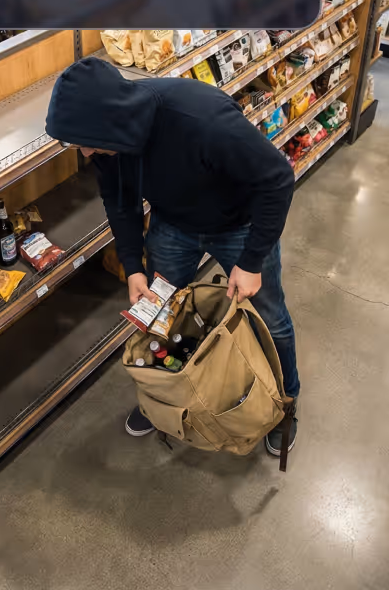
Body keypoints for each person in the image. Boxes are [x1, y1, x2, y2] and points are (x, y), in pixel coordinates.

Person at [45, 58, 299, 456]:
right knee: (162, 313)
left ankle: (284, 404)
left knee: (270, 317)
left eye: (85, 141)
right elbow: (119, 202)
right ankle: (166, 396)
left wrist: (251, 261)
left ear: (112, 120)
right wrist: (132, 265)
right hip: (174, 225)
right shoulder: (107, 145)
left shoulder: (201, 118)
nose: (84, 151)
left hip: (239, 224)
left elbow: (278, 180)